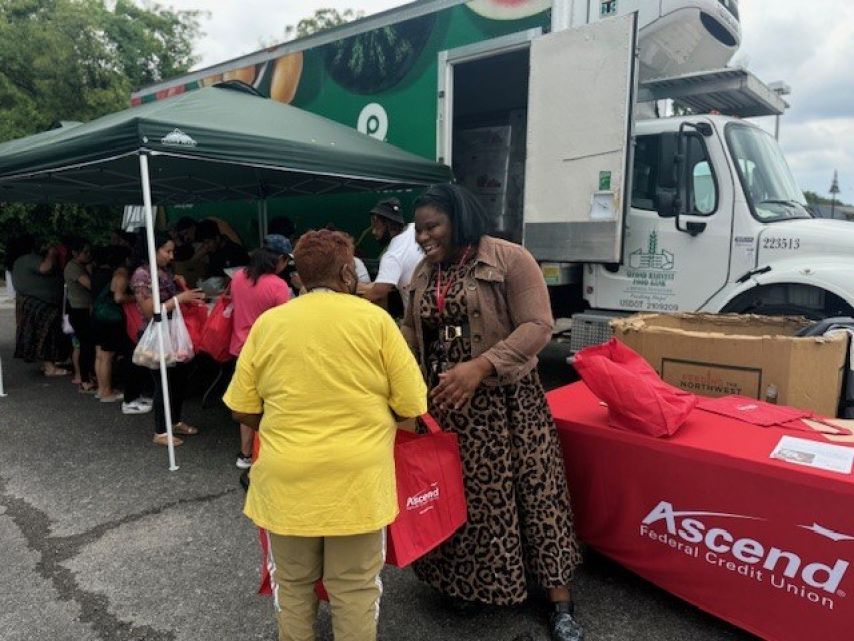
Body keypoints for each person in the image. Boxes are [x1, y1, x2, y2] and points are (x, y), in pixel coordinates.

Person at [401, 183, 584, 641]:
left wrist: (481, 366)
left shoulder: (508, 258)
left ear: (458, 218)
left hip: (508, 405)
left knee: (535, 495)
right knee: (465, 501)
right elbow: (409, 332)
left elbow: (539, 325)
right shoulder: (424, 272)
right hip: (448, 408)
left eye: (431, 227)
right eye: (418, 229)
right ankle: (474, 584)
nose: (422, 238)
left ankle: (560, 603)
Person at [223, 229, 426, 641]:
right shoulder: (375, 321)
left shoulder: (270, 324)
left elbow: (240, 406)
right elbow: (411, 405)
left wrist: (283, 425)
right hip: (358, 482)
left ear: (299, 275)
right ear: (348, 272)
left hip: (286, 480)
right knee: (354, 588)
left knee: (294, 586)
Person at [131, 232, 206, 446]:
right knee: (162, 383)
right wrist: (179, 298)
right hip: (155, 336)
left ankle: (174, 421)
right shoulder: (142, 275)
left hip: (172, 334)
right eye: (167, 251)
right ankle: (160, 431)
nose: (171, 256)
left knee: (178, 381)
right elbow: (149, 311)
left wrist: (180, 286)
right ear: (153, 251)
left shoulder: (163, 272)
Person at [229, 234, 292, 469]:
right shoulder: (278, 286)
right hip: (268, 352)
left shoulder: (237, 278)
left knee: (247, 403)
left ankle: (245, 454)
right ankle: (267, 452)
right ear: (281, 259)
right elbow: (285, 323)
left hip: (240, 348)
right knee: (271, 404)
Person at [12, 238, 70, 376]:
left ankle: (48, 363)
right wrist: (51, 253)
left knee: (42, 335)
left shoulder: (19, 261)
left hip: (35, 303)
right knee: (47, 336)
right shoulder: (28, 258)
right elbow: (45, 268)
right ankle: (50, 367)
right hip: (41, 304)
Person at [357, 197, 423, 312]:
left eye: (376, 225)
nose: (373, 232)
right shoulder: (416, 228)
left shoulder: (392, 255)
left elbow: (378, 293)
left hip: (419, 321)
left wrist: (348, 302)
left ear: (388, 223)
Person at [90, 246, 130, 402]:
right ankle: (107, 391)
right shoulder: (121, 274)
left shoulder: (96, 273)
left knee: (100, 354)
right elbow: (118, 297)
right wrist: (133, 298)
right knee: (107, 356)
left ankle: (101, 389)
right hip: (110, 318)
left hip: (97, 316)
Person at [63, 237, 97, 393]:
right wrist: (91, 272)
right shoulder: (73, 267)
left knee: (87, 345)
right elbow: (90, 285)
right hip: (79, 310)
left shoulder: (80, 265)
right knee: (85, 345)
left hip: (85, 308)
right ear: (75, 252)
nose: (89, 255)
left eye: (90, 252)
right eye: (85, 252)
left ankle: (88, 376)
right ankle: (84, 379)